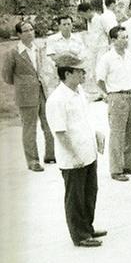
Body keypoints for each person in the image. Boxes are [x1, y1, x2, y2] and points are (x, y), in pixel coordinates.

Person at [46, 52, 106, 247]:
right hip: (73, 158)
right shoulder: (57, 100)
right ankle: (80, 235)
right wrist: (74, 155)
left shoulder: (79, 92)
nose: (84, 75)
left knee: (90, 193)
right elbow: (61, 133)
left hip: (88, 153)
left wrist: (97, 133)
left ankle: (87, 227)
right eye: (80, 71)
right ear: (68, 73)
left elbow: (86, 119)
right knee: (75, 198)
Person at [2, 20, 55, 171]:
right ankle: (33, 161)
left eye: (31, 29)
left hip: (42, 92)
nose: (30, 32)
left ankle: (50, 155)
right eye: (25, 30)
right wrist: (23, 84)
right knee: (30, 128)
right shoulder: (13, 53)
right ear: (19, 34)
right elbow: (6, 76)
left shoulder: (38, 49)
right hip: (26, 95)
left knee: (48, 123)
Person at [95, 25, 131, 181]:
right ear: (113, 40)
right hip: (117, 95)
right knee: (117, 134)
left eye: (127, 37)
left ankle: (128, 165)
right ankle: (116, 169)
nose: (126, 41)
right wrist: (107, 95)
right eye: (122, 38)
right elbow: (99, 80)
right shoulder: (107, 58)